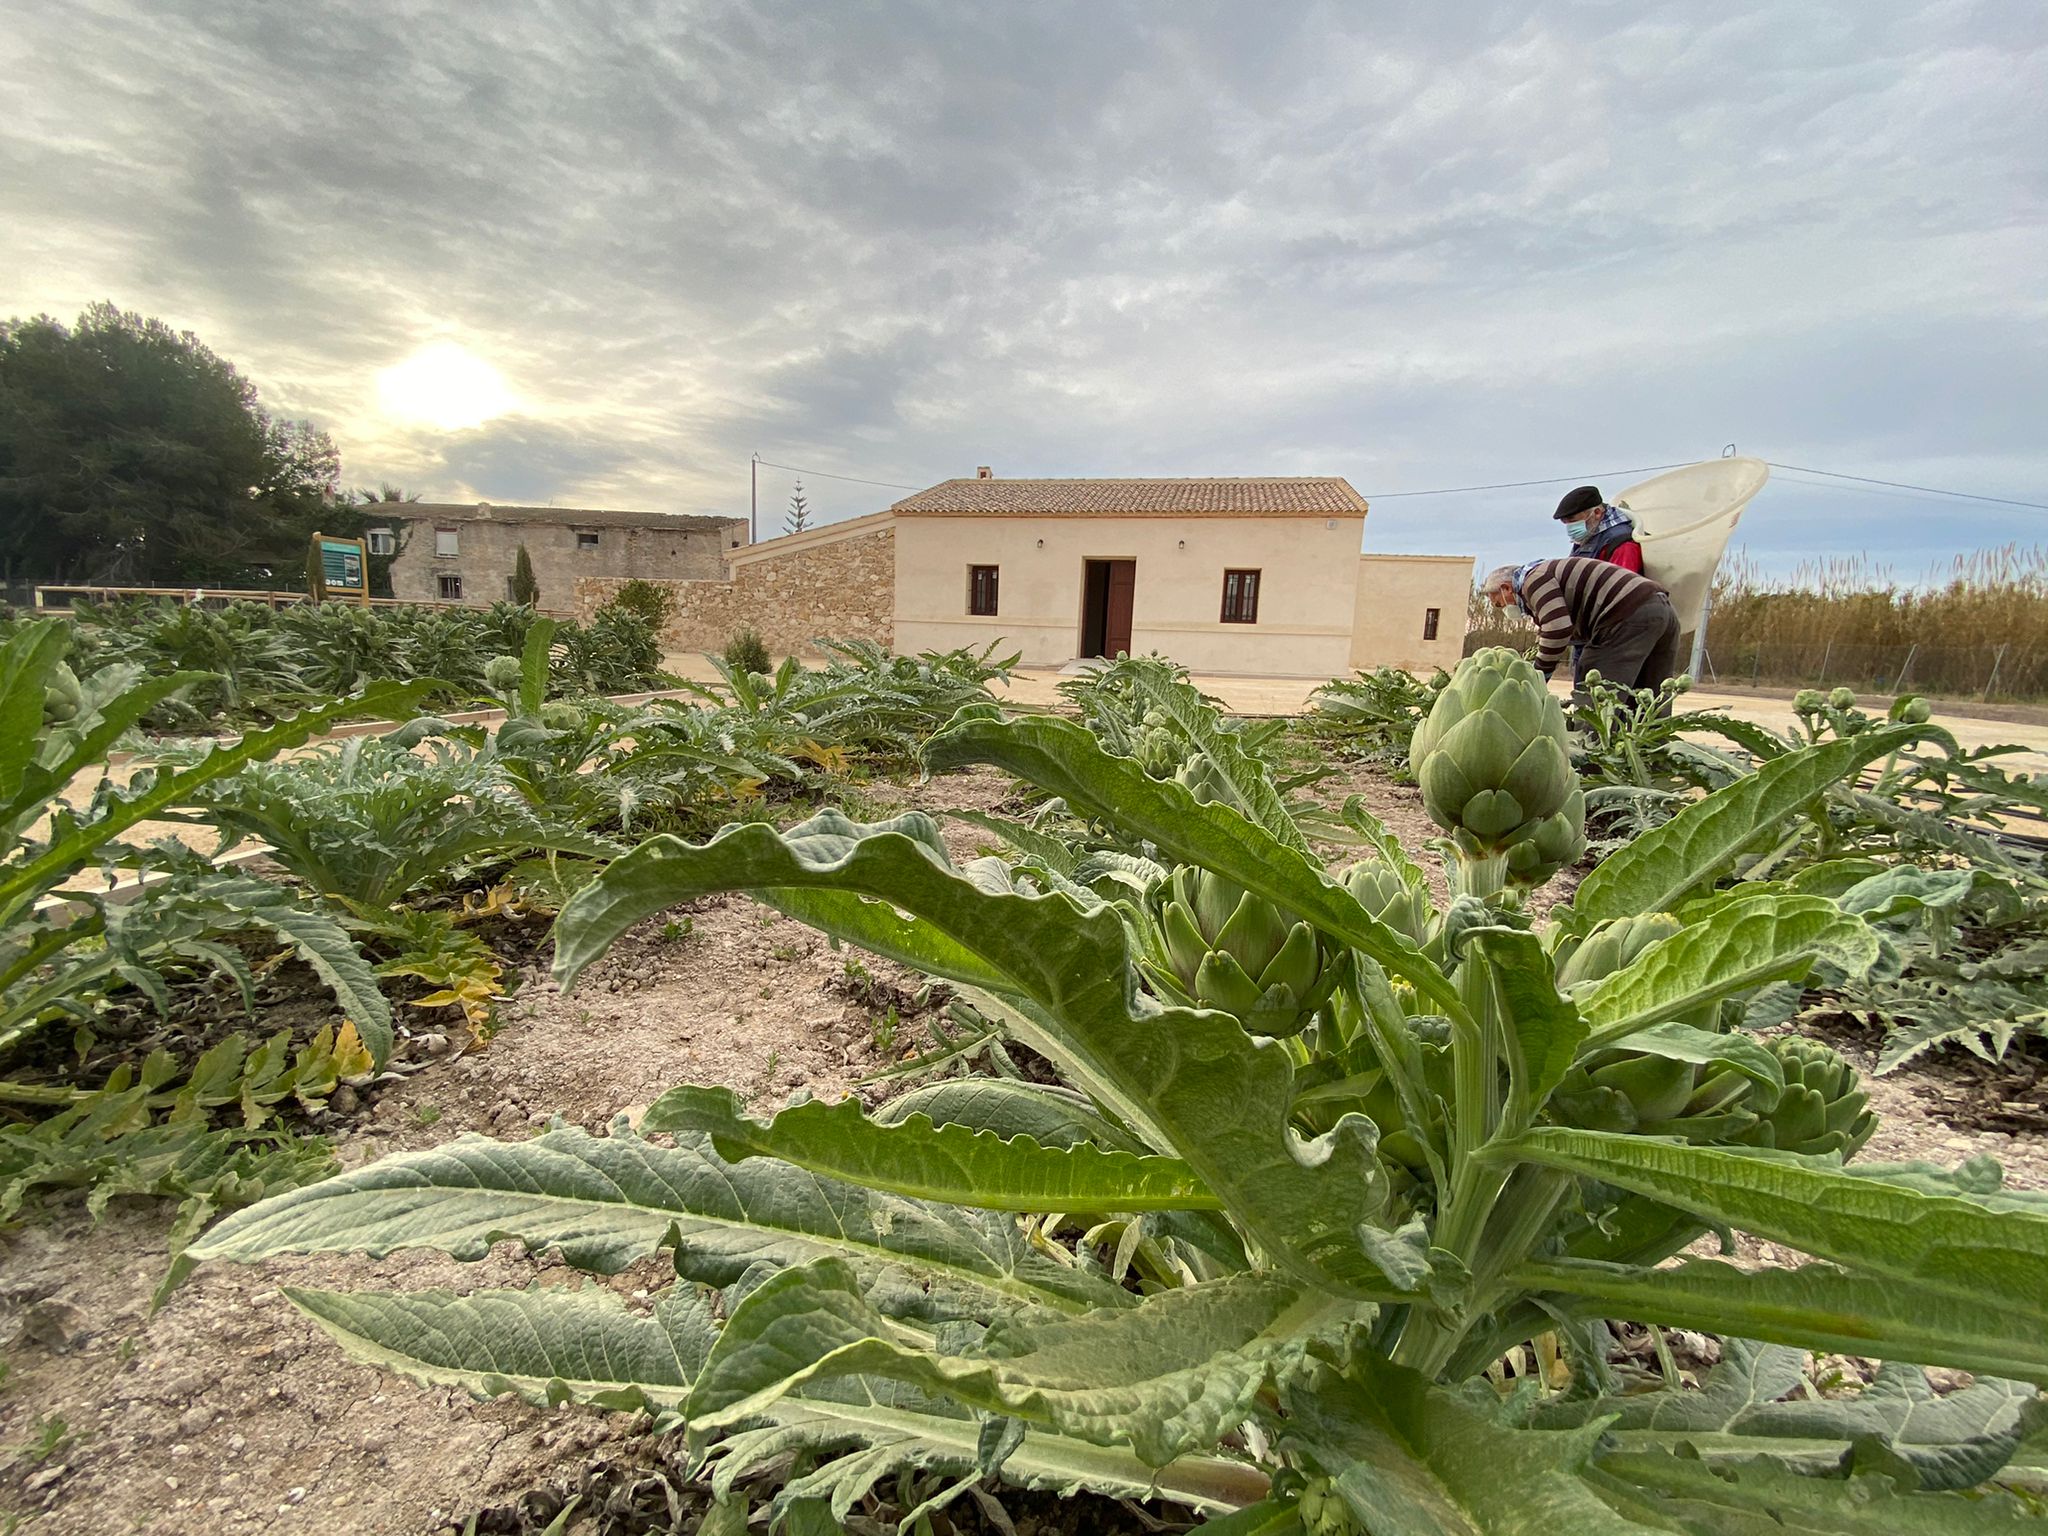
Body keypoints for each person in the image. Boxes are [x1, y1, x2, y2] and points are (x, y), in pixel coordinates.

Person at [1481, 557, 1679, 701]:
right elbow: (1556, 626)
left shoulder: (1534, 580)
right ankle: (1650, 756)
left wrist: (1536, 677)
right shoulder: (1548, 574)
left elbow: (1557, 630)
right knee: (1652, 697)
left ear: (1506, 588)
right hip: (1661, 610)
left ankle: (1593, 751)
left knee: (1595, 690)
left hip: (1627, 614)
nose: (1505, 609)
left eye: (1500, 604)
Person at [1553, 484, 1644, 573]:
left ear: (1597, 513)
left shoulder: (1622, 545)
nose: (1570, 527)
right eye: (1565, 522)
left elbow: (1624, 584)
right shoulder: (1588, 536)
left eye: (1573, 520)